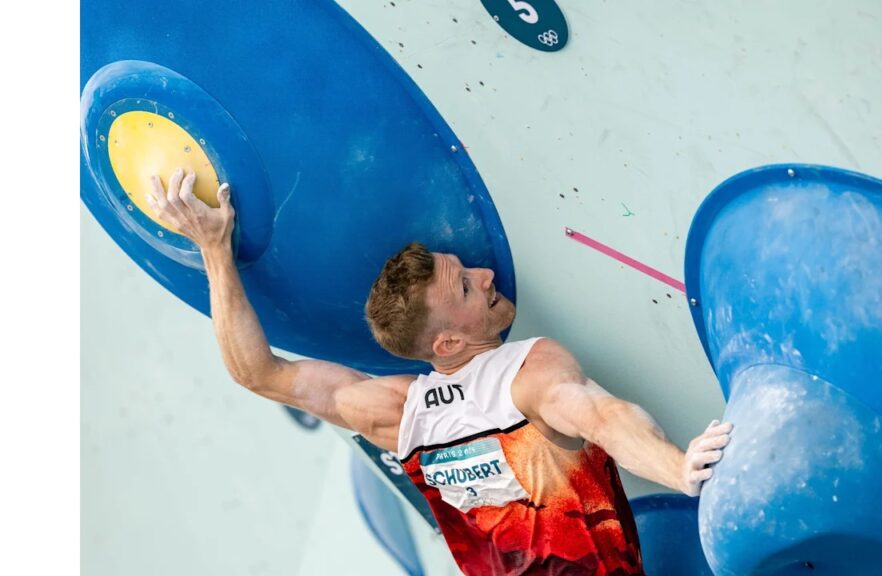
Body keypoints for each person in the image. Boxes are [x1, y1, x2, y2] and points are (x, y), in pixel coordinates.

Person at [145, 168, 733, 576]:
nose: (484, 273)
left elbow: (260, 374)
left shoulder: (397, 415)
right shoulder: (526, 373)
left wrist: (215, 251)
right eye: (466, 285)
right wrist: (677, 467)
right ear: (449, 340)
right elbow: (602, 417)